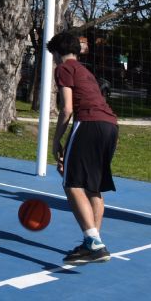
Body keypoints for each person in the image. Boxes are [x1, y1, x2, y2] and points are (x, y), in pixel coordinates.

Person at [48, 31, 118, 264]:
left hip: (89, 124)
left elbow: (67, 108)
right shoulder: (86, 71)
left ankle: (93, 242)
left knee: (72, 183)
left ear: (57, 53)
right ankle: (93, 243)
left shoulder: (63, 69)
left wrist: (56, 140)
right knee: (92, 186)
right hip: (110, 126)